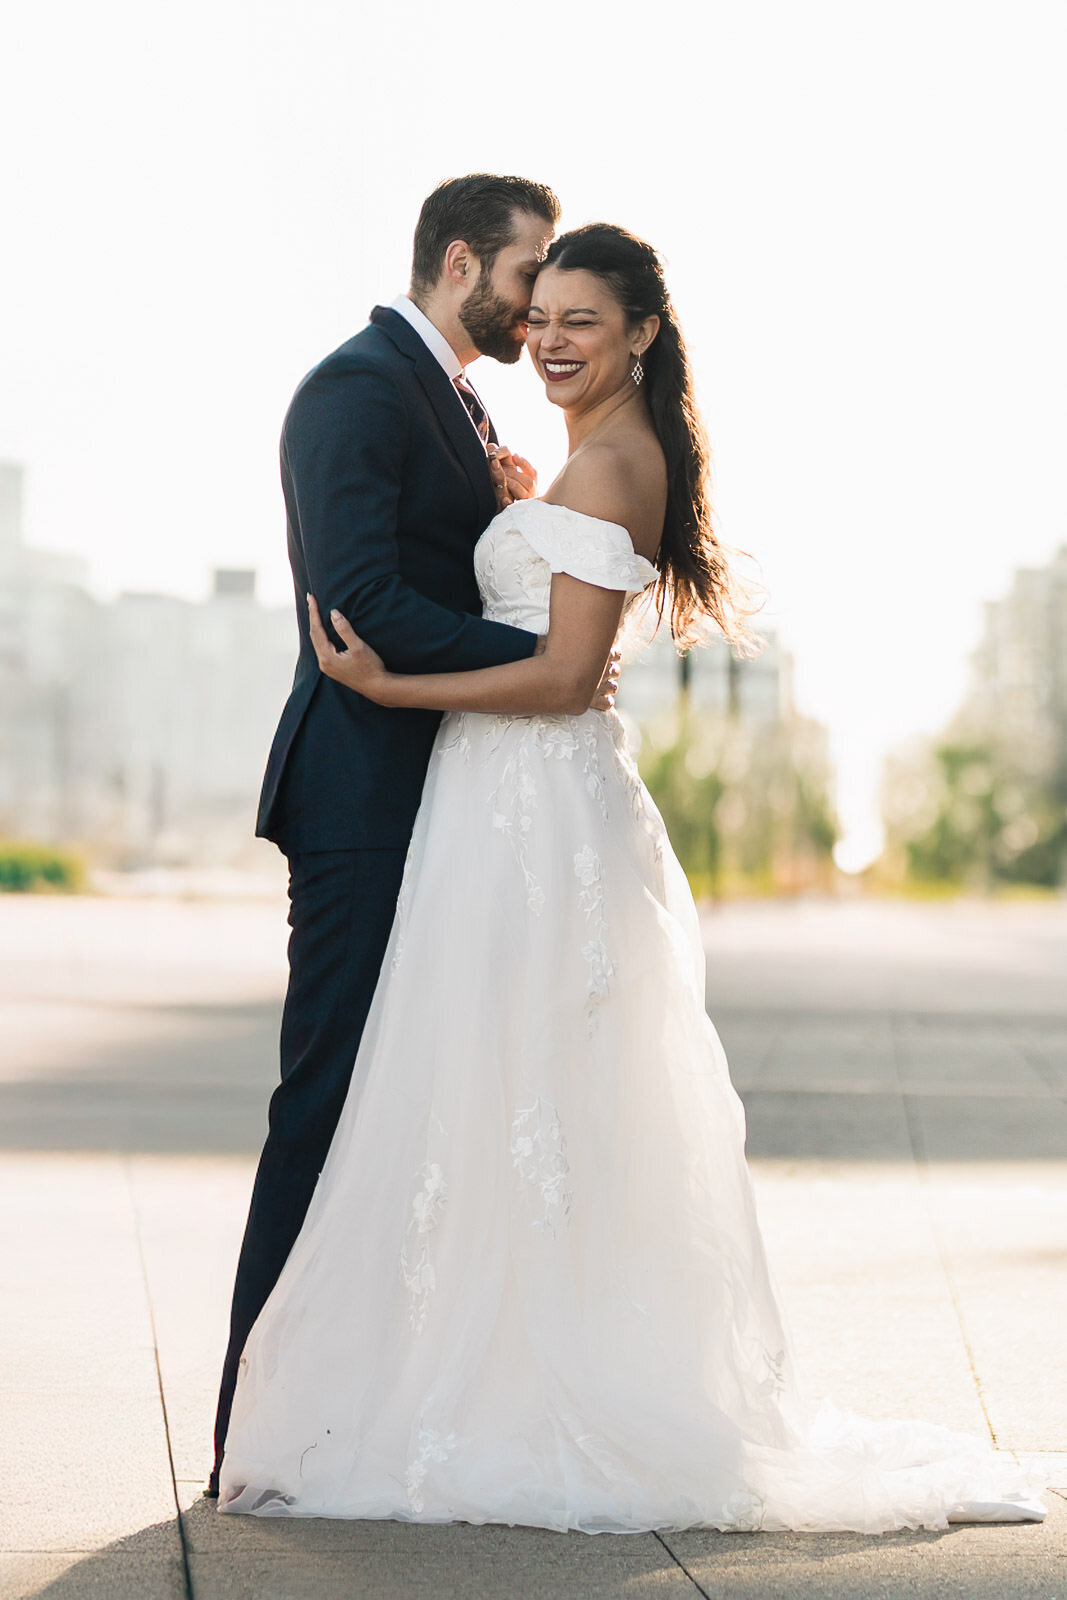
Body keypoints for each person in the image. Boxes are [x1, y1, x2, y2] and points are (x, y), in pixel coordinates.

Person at [217, 225, 1045, 1532]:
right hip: (511, 810)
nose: (547, 337)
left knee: (521, 1094)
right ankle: (487, 1374)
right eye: (538, 315)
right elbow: (555, 637)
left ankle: (524, 1392)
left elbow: (556, 680)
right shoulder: (584, 463)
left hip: (536, 811)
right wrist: (507, 506)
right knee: (504, 1099)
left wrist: (389, 678)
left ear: (642, 334)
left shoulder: (610, 469)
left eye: (581, 320)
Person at [206, 174, 605, 1497]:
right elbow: (361, 601)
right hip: (362, 798)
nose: (540, 301)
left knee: (409, 1117)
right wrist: (543, 659)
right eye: (528, 272)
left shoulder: (454, 399)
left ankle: (368, 1411)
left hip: (441, 791)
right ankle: (252, 1433)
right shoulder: (355, 388)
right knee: (327, 1107)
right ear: (458, 261)